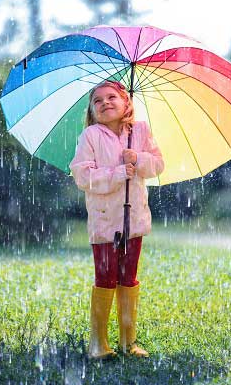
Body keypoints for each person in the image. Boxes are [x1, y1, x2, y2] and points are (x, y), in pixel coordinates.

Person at [69, 81, 164, 359]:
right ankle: (98, 343)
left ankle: (128, 341)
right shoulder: (90, 136)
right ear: (92, 110)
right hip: (104, 222)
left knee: (128, 276)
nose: (105, 103)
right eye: (97, 101)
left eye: (112, 97)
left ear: (126, 103)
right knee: (106, 277)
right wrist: (115, 174)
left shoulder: (140, 131)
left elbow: (158, 165)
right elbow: (82, 176)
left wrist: (139, 158)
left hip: (133, 220)